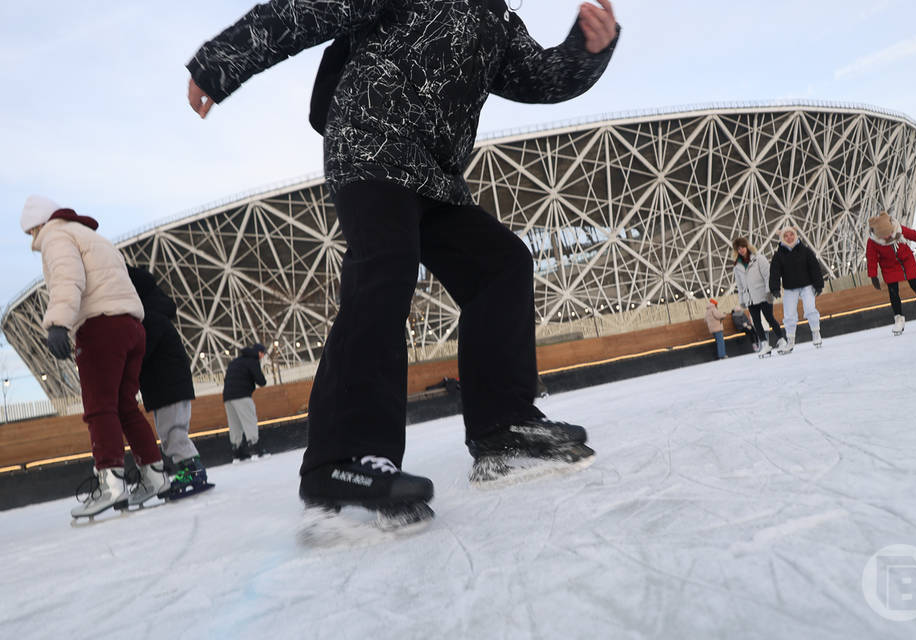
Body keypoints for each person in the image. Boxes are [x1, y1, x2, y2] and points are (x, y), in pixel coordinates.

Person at [186, 0, 619, 526]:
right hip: (368, 145)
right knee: (385, 266)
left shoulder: (498, 20)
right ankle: (340, 458)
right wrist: (220, 63)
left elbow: (540, 78)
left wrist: (586, 49)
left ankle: (502, 427)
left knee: (500, 265)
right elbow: (307, 11)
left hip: (432, 175)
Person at [19, 195, 167, 518]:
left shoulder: (57, 236)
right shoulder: (93, 236)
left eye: (32, 232)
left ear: (40, 224)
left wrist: (58, 321)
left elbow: (67, 277)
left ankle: (110, 483)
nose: (33, 239)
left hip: (101, 327)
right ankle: (155, 474)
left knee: (99, 408)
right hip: (132, 325)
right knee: (126, 406)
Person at [127, 265, 214, 499]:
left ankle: (193, 471)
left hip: (169, 387)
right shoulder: (155, 316)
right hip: (166, 387)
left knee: (174, 433)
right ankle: (191, 470)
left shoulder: (151, 319)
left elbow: (144, 352)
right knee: (170, 433)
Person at [866, 212, 916, 335]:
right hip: (889, 266)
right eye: (884, 236)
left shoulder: (899, 230)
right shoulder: (873, 242)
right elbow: (871, 258)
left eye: (889, 234)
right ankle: (899, 318)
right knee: (893, 291)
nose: (887, 238)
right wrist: (873, 275)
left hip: (906, 261)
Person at [769, 226, 824, 354]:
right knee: (789, 315)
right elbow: (775, 272)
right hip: (790, 288)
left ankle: (816, 333)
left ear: (795, 235)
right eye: (786, 235)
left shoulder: (805, 251)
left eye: (791, 234)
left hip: (807, 285)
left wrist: (818, 284)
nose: (789, 237)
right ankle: (790, 341)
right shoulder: (778, 255)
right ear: (782, 238)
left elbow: (814, 268)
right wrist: (775, 288)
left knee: (810, 309)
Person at [731, 237, 786, 358]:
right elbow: (740, 286)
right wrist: (742, 300)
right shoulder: (737, 266)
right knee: (756, 322)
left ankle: (782, 339)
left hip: (763, 294)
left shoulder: (758, 259)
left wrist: (769, 291)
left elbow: (768, 276)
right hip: (750, 298)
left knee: (769, 318)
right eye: (738, 249)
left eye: (743, 247)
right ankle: (765, 344)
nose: (741, 250)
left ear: (747, 246)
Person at [223, 343, 268, 461]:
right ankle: (255, 448)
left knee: (234, 424)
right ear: (259, 352)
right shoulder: (253, 360)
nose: (263, 356)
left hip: (227, 397)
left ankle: (237, 452)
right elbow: (261, 381)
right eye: (263, 353)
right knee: (249, 420)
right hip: (242, 395)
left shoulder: (236, 361)